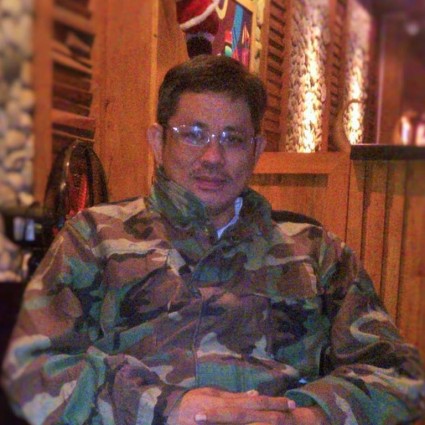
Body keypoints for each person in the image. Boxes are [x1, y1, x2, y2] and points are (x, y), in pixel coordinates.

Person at [2, 55, 425, 425]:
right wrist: (165, 408)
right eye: (193, 133)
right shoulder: (95, 238)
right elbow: (29, 370)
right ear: (158, 142)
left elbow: (400, 376)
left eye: (232, 139)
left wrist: (308, 415)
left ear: (256, 150)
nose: (212, 157)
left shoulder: (316, 252)